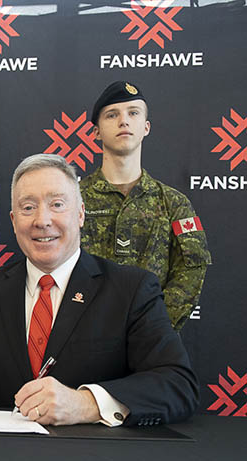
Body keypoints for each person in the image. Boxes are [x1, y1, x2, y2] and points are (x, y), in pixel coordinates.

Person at [0, 154, 198, 426]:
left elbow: (177, 385)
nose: (42, 220)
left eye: (57, 204)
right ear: (13, 221)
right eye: (28, 207)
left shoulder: (131, 289)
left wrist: (86, 403)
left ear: (81, 214)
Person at [81, 81, 211, 330]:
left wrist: (153, 325)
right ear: (96, 131)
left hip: (152, 344)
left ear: (146, 127)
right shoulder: (72, 200)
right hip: (84, 339)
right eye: (112, 115)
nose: (124, 121)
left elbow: (192, 268)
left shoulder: (173, 203)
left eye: (133, 113)